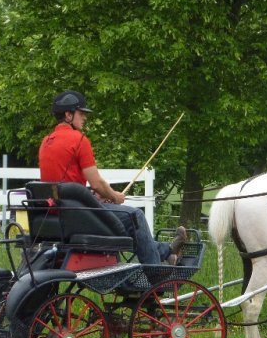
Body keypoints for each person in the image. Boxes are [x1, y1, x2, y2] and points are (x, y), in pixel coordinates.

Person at [38, 90, 186, 265]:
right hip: (79, 215)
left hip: (60, 213)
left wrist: (94, 197)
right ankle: (157, 275)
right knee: (135, 216)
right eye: (81, 113)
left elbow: (65, 184)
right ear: (68, 115)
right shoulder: (79, 140)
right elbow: (97, 183)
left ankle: (168, 253)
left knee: (128, 219)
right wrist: (114, 196)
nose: (85, 117)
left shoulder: (46, 142)